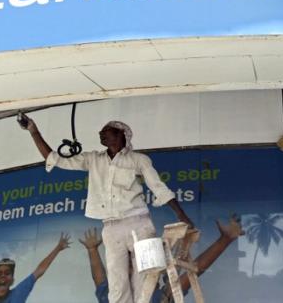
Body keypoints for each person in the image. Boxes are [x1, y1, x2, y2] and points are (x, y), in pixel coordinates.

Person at [20, 115, 193, 303]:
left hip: (139, 223)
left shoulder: (138, 159)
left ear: (120, 134)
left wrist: (182, 215)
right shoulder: (93, 159)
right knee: (117, 286)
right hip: (111, 228)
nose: (101, 134)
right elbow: (55, 158)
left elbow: (158, 187)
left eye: (106, 131)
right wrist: (33, 130)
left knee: (145, 283)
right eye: (100, 132)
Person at [79, 216, 244, 303]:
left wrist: (225, 240)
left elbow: (194, 270)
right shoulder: (112, 294)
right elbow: (99, 279)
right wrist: (92, 250)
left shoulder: (159, 297)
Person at [0, 233, 70, 303]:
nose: (3, 275)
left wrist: (58, 248)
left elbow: (39, 270)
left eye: (7, 273)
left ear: (12, 280)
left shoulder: (18, 293)